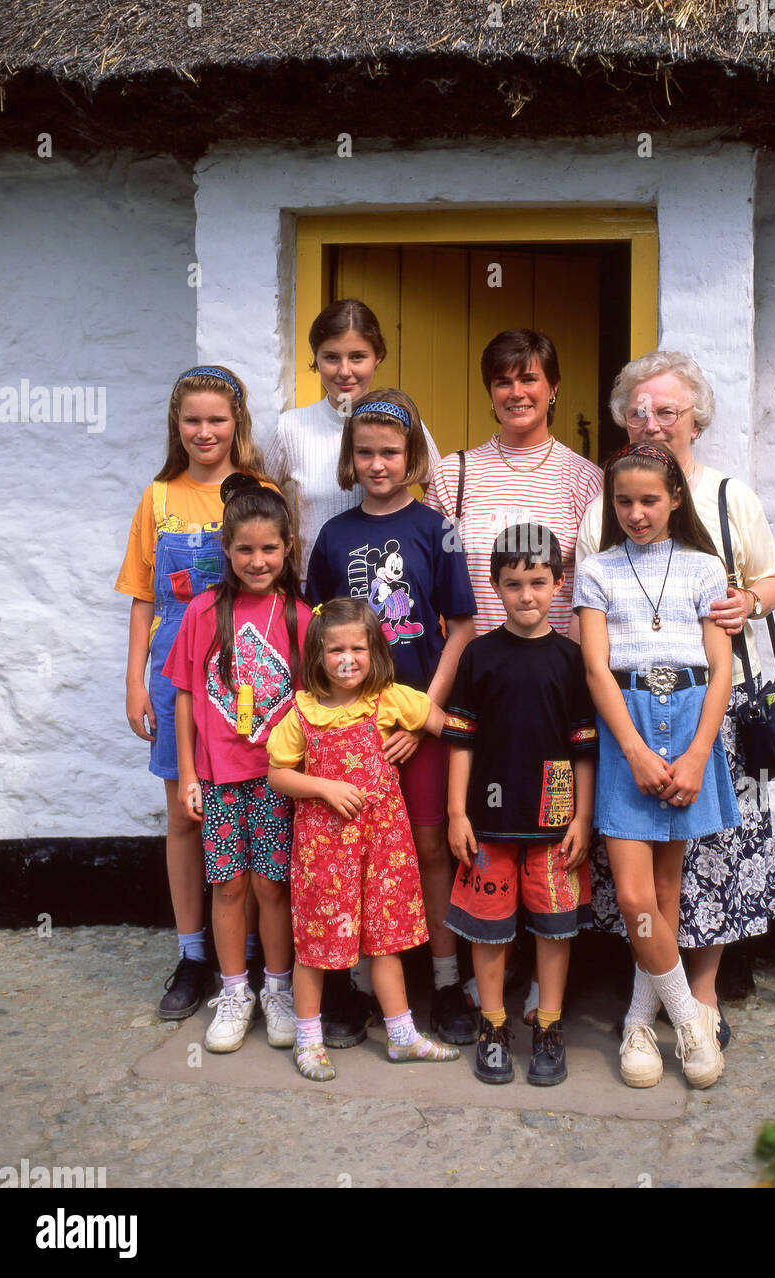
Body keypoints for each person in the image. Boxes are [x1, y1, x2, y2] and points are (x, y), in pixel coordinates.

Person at [576, 352, 775, 1050]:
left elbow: (772, 578)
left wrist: (746, 602)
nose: (650, 422)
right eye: (637, 411)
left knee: (710, 862)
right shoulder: (605, 541)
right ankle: (655, 1008)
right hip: (630, 713)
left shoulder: (728, 498)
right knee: (647, 879)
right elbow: (595, 629)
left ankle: (699, 1000)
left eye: (664, 410)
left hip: (709, 705)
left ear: (693, 417)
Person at [304, 389, 477, 1044]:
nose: (378, 465)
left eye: (391, 453)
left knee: (430, 848)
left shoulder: (435, 528)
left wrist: (422, 714)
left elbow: (460, 626)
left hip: (418, 724)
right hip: (350, 729)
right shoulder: (334, 535)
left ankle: (442, 980)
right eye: (366, 453)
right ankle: (352, 987)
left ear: (411, 456)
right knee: (350, 851)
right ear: (351, 458)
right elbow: (317, 632)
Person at [575, 443, 741, 1090]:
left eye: (649, 500)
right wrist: (636, 751)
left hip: (692, 723)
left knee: (667, 894)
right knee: (634, 895)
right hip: (627, 728)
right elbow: (595, 667)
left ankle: (637, 1027)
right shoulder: (597, 571)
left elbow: (721, 667)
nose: (636, 512)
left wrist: (698, 752)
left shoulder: (704, 568)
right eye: (623, 501)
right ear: (609, 505)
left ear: (674, 498)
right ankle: (689, 1022)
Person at [116, 365, 273, 1021]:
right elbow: (143, 595)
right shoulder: (158, 498)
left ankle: (264, 960)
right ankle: (193, 954)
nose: (204, 431)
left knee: (259, 812)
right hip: (174, 677)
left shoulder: (258, 491)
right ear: (176, 427)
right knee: (186, 813)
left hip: (246, 678)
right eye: (192, 420)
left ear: (236, 423)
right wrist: (133, 679)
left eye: (216, 419)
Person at [267, 599, 461, 1081]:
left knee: (386, 941)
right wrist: (323, 787)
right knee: (315, 943)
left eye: (358, 647)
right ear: (318, 655)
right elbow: (276, 775)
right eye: (336, 650)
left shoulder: (392, 700)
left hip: (383, 848)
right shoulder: (302, 712)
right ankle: (309, 1040)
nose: (348, 659)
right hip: (324, 852)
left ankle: (402, 1035)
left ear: (375, 651)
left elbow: (451, 729)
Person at [443, 525, 596, 1086]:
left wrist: (581, 816)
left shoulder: (571, 658)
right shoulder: (479, 656)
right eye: (513, 584)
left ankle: (549, 1027)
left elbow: (583, 747)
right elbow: (460, 740)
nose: (526, 595)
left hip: (555, 825)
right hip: (487, 825)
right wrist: (458, 814)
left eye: (538, 582)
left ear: (558, 582)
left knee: (554, 930)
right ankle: (493, 1026)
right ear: (495, 587)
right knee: (489, 932)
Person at [164, 477, 312, 1054]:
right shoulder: (203, 612)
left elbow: (312, 704)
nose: (257, 560)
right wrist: (189, 774)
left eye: (269, 548)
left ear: (288, 546)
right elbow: (182, 695)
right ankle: (233, 990)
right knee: (227, 886)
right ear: (226, 550)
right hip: (220, 779)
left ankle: (277, 989)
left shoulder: (301, 616)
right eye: (245, 549)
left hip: (276, 779)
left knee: (273, 887)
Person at [424, 328, 602, 639]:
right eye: (503, 382)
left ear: (553, 387)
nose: (515, 392)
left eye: (528, 379)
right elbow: (429, 575)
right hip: (471, 670)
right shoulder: (454, 474)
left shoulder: (584, 478)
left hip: (554, 673)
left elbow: (603, 588)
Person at [266, 300, 440, 583]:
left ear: (378, 356)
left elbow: (442, 495)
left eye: (358, 357)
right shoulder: (291, 428)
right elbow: (258, 504)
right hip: (319, 595)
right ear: (316, 358)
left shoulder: (405, 422)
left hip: (394, 590)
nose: (344, 371)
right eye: (331, 357)